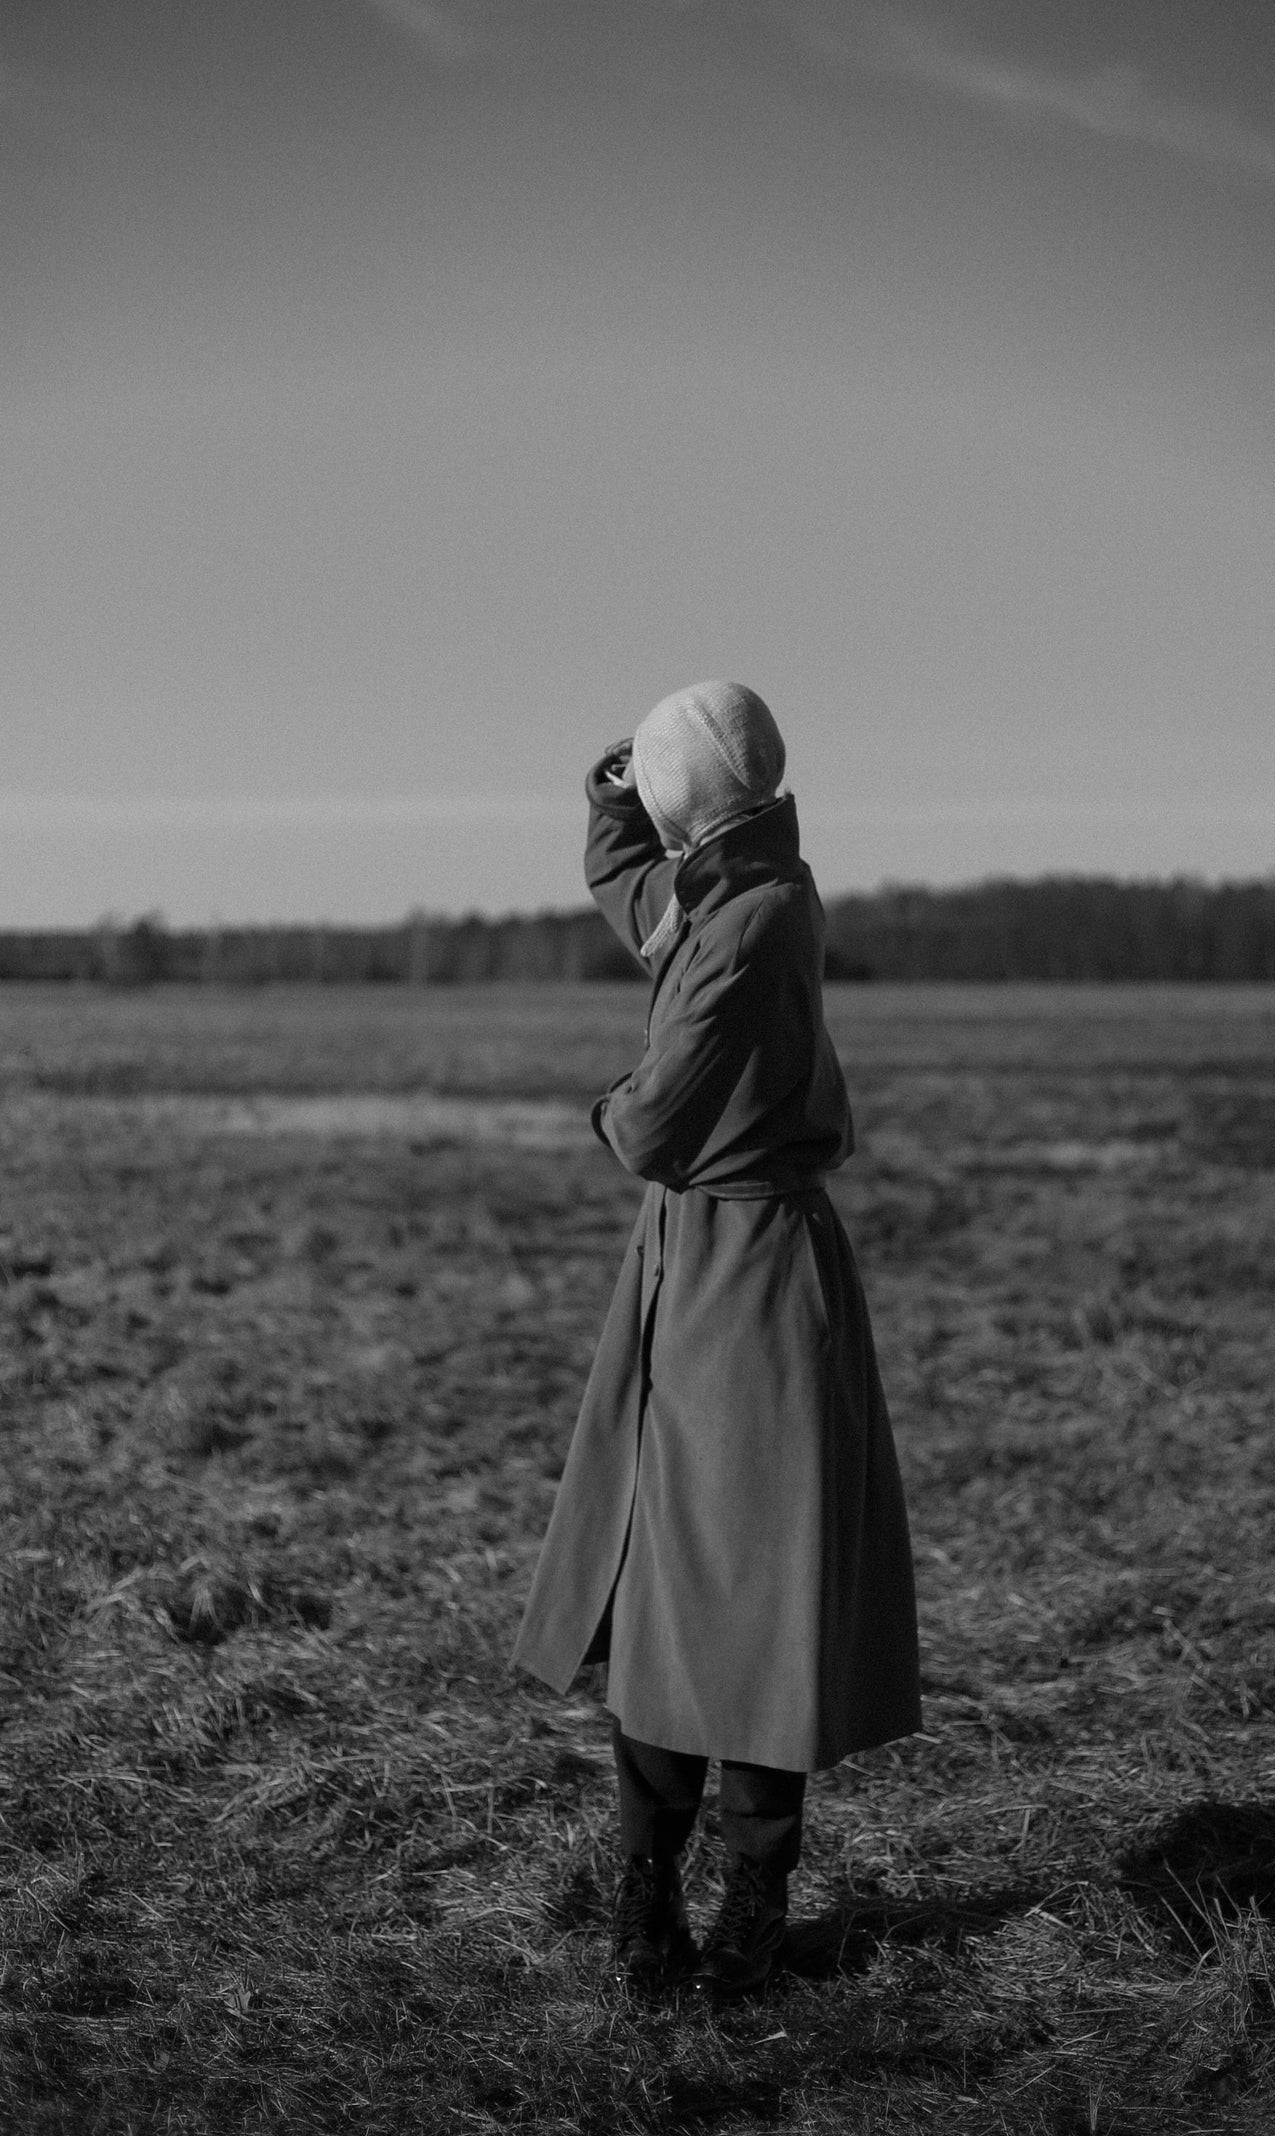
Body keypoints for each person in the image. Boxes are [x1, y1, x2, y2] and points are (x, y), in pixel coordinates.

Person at [512, 680, 920, 1998]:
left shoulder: (751, 919)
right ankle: (649, 1904)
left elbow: (654, 1120)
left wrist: (603, 1117)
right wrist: (614, 795)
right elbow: (636, 893)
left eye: (657, 781)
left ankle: (739, 1907)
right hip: (700, 1270)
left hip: (743, 1282)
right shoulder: (735, 884)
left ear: (699, 806)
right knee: (664, 1585)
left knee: (747, 1599)